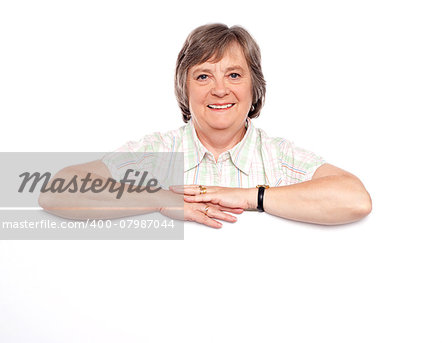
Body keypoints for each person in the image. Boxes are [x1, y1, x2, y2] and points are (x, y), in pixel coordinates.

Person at [39, 23, 372, 228]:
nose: (220, 89)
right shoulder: (157, 151)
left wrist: (249, 197)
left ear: (254, 86)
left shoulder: (278, 155)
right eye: (203, 76)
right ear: (183, 87)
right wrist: (161, 199)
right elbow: (56, 191)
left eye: (234, 75)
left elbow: (355, 199)